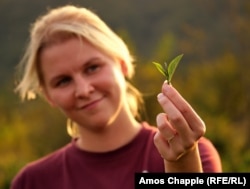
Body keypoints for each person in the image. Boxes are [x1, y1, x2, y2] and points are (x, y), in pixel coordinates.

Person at [10, 4, 222, 189]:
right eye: (63, 81)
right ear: (48, 96)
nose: (83, 90)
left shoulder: (195, 155)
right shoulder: (32, 182)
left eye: (92, 68)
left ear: (122, 65)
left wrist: (181, 165)